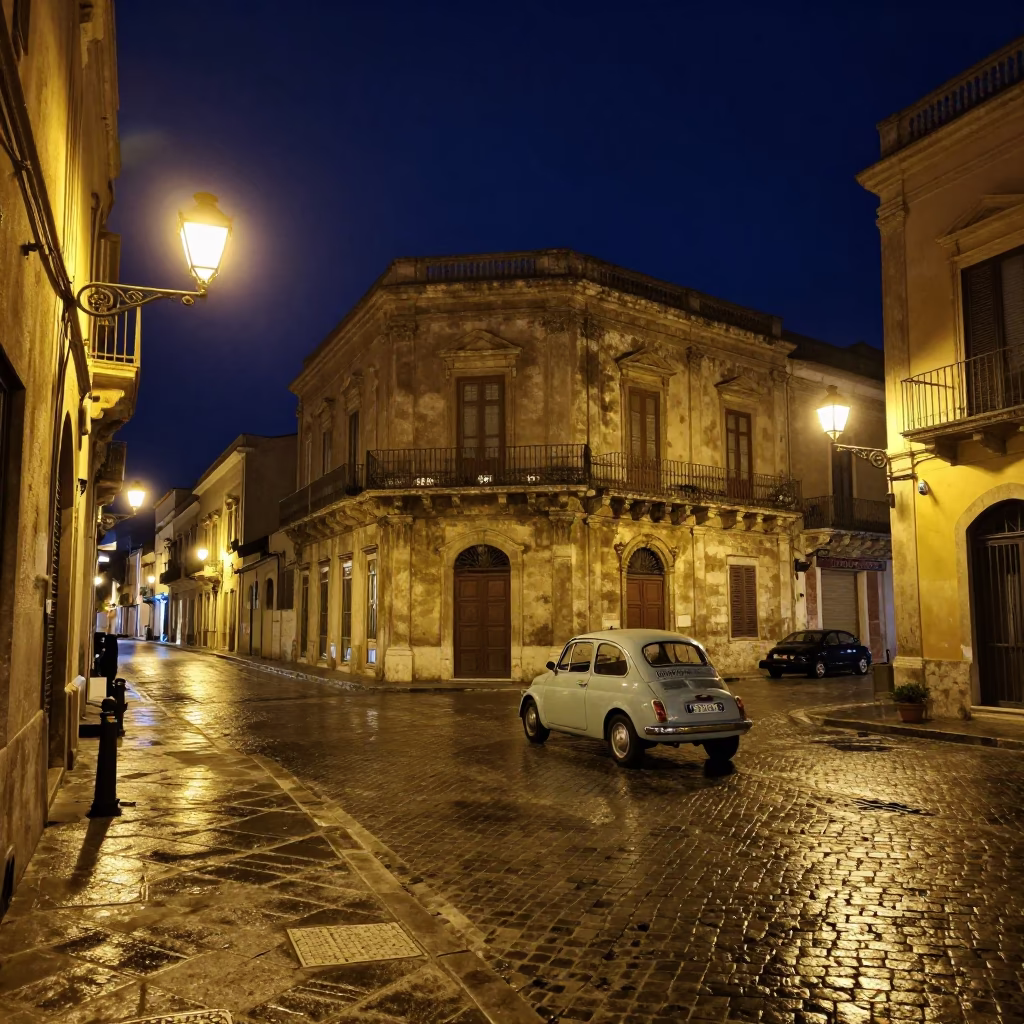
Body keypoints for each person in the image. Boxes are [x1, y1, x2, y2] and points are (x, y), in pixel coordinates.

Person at [101, 632, 119, 697]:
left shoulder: (109, 652)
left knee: (108, 685)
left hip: (108, 670)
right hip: (111, 670)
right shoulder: (113, 650)